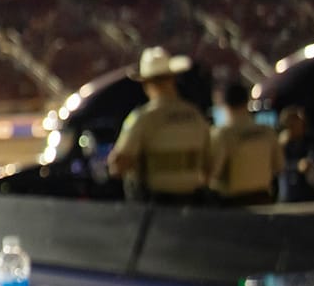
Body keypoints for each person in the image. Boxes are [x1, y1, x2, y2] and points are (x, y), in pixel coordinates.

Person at [108, 47, 211, 204]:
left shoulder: (142, 119)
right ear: (173, 79)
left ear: (146, 83)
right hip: (193, 207)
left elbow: (117, 166)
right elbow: (209, 164)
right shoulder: (196, 116)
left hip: (156, 210)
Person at [207, 82, 281, 205]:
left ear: (225, 106)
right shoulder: (267, 132)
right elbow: (279, 165)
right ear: (247, 101)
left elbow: (214, 172)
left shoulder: (223, 134)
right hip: (263, 200)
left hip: (233, 205)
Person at [276, 105, 314, 203]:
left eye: (296, 122)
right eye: (290, 124)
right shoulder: (282, 143)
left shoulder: (311, 141)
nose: (293, 127)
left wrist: (307, 163)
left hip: (307, 195)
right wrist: (296, 165)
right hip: (287, 194)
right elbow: (279, 165)